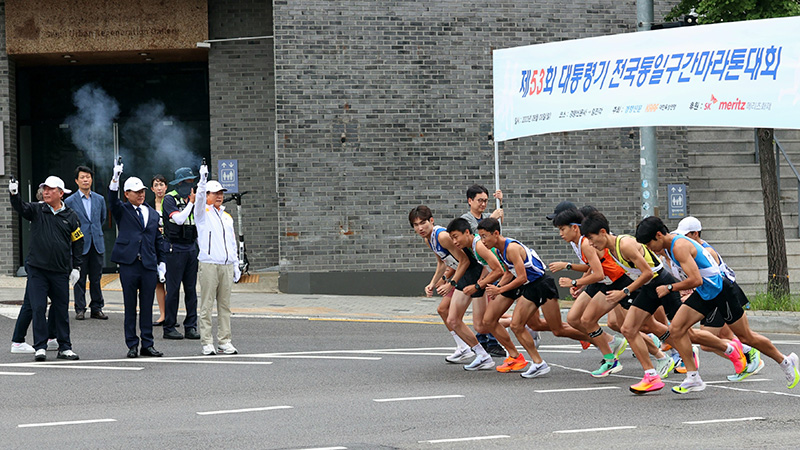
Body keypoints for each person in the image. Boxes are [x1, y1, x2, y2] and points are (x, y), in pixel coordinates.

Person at [636, 216, 800, 394]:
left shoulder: (678, 246)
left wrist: (670, 288)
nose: (648, 248)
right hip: (705, 293)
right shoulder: (667, 247)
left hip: (721, 291)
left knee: (746, 337)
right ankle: (693, 377)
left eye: (648, 244)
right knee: (677, 329)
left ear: (659, 235)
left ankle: (786, 361)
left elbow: (696, 279)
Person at [478, 218, 589, 379]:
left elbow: (522, 277)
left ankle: (594, 338)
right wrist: (498, 289)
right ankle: (536, 362)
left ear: (495, 234)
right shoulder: (499, 249)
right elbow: (510, 272)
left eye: (484, 236)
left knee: (553, 328)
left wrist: (500, 289)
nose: (482, 241)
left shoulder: (511, 248)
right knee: (534, 325)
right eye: (480, 237)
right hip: (530, 286)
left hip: (541, 284)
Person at [671, 216, 763, 381]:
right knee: (724, 334)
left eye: (686, 234)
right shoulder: (689, 248)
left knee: (708, 341)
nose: (682, 238)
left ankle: (748, 353)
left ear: (695, 233)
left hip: (720, 293)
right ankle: (745, 355)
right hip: (708, 294)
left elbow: (712, 280)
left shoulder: (705, 250)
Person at [10, 175, 83, 361]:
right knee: (38, 307)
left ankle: (65, 347)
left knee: (61, 308)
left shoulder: (71, 216)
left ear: (60, 193)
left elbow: (78, 241)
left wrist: (77, 267)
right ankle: (40, 347)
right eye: (44, 189)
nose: (46, 192)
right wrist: (14, 194)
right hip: (37, 269)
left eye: (50, 189)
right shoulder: (37, 209)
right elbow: (20, 207)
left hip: (60, 271)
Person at [109, 161, 166, 358]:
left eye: (142, 191)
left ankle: (147, 344)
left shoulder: (151, 212)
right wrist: (115, 178)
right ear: (126, 194)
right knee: (130, 306)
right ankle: (132, 344)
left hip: (148, 264)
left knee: (147, 306)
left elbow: (158, 238)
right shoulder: (122, 209)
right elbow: (112, 201)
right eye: (136, 192)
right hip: (129, 264)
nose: (140, 194)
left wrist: (162, 263)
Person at [409, 205, 475, 364]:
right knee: (444, 310)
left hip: (473, 273)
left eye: (423, 223)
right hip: (461, 274)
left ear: (431, 221)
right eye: (416, 225)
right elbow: (442, 263)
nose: (420, 228)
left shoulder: (442, 236)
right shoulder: (428, 239)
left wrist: (451, 283)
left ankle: (480, 352)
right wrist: (432, 283)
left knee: (484, 322)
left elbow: (464, 260)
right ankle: (464, 348)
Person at [443, 217, 503, 371]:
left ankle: (521, 324)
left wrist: (478, 285)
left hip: (500, 278)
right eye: (451, 239)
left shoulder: (478, 245)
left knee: (482, 326)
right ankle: (482, 355)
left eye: (456, 237)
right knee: (460, 322)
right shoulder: (469, 246)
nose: (454, 242)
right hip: (480, 280)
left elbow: (498, 270)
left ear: (467, 232)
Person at [193, 165, 241, 355]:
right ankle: (207, 342)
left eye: (221, 193)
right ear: (207, 195)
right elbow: (197, 202)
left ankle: (224, 340)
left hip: (226, 265)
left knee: (224, 306)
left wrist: (236, 264)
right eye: (215, 193)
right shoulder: (202, 214)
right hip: (209, 264)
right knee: (206, 304)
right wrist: (202, 182)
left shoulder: (227, 217)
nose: (219, 196)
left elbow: (232, 242)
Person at [460, 184, 506, 357]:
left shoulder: (488, 215)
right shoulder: (466, 219)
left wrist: (500, 204)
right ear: (470, 201)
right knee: (481, 308)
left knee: (490, 305)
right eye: (480, 200)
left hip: (490, 266)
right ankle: (483, 339)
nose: (483, 204)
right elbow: (474, 237)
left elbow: (497, 231)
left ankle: (493, 341)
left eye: (486, 201)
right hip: (476, 267)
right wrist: (493, 216)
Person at [161, 167, 200, 340]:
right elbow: (178, 219)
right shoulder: (170, 198)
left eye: (192, 182)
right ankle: (169, 326)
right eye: (187, 182)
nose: (190, 185)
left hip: (191, 248)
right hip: (175, 248)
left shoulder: (194, 198)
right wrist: (191, 203)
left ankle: (191, 326)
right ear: (180, 183)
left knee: (191, 290)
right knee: (174, 289)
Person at [64, 165, 108, 320]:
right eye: (82, 177)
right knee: (79, 278)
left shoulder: (100, 199)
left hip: (96, 242)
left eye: (88, 177)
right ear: (76, 181)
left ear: (91, 179)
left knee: (96, 278)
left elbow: (101, 219)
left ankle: (97, 307)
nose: (85, 180)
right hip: (79, 245)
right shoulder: (69, 201)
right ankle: (80, 308)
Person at [150, 174, 168, 326]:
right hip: (155, 247)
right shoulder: (148, 206)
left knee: (172, 282)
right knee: (158, 282)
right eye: (156, 185)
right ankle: (163, 314)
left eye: (161, 184)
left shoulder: (171, 203)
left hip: (170, 246)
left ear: (166, 187)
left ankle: (171, 314)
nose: (159, 188)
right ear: (152, 189)